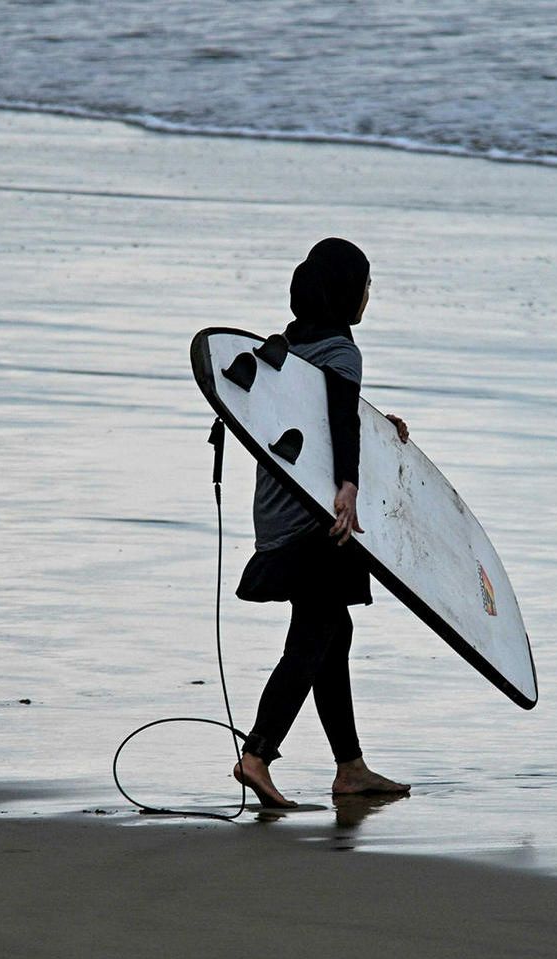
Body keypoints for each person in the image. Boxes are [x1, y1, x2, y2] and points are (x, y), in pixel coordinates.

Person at [232, 238, 411, 809]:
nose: (368, 295)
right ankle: (257, 755)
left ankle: (350, 768)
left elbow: (325, 413)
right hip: (320, 512)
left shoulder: (289, 344)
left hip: (277, 507)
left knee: (332, 630)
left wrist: (379, 424)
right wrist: (349, 489)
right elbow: (337, 423)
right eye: (365, 284)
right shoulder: (341, 352)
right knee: (316, 633)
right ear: (346, 291)